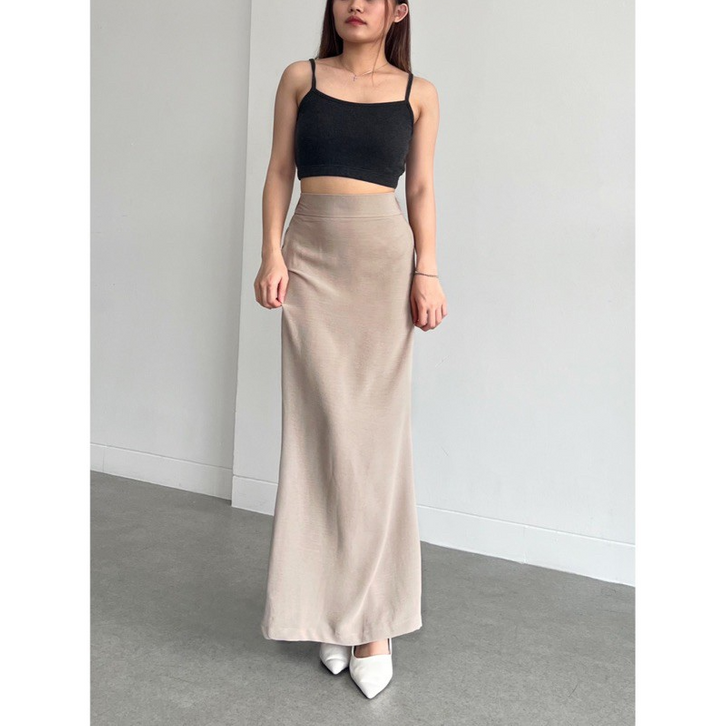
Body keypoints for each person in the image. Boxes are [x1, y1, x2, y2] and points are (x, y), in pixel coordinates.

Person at [254, 0, 446, 699]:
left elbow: (420, 188)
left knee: (375, 447)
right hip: (310, 262)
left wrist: (428, 271)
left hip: (382, 270)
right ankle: (330, 610)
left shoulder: (417, 93)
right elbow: (280, 171)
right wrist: (271, 253)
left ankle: (374, 623)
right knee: (318, 438)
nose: (355, 4)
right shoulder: (299, 77)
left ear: (398, 11)